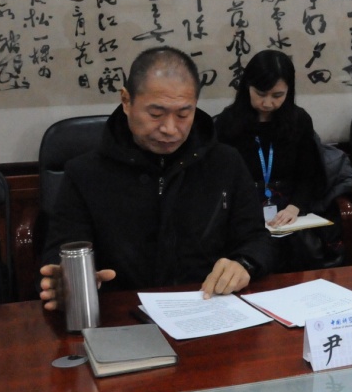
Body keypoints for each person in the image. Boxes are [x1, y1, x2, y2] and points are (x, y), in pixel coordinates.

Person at [39, 47, 273, 308]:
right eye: (155, 114)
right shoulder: (85, 173)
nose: (170, 129)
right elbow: (60, 252)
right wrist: (68, 280)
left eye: (183, 114)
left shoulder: (225, 163)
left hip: (207, 308)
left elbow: (256, 238)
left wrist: (244, 264)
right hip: (119, 312)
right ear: (126, 101)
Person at [215, 49, 340, 270]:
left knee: (300, 253)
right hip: (244, 208)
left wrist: (294, 207)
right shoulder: (228, 123)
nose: (268, 103)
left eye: (277, 95)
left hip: (289, 208)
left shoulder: (298, 120)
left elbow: (308, 175)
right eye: (260, 93)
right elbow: (222, 179)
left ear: (289, 91)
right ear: (247, 86)